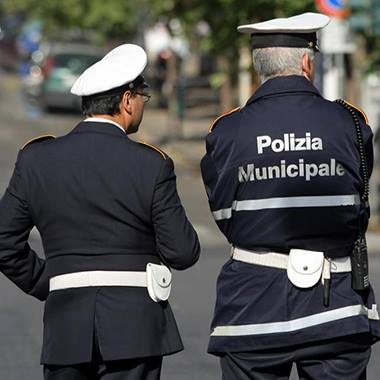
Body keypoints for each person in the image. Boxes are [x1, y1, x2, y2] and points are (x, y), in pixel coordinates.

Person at [0, 43, 200, 380]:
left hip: (65, 328)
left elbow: (4, 241)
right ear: (126, 101)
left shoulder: (37, 160)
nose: (142, 106)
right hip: (136, 333)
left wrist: (46, 282)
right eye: (142, 98)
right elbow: (182, 253)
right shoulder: (151, 163)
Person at [200, 12, 380, 380]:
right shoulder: (350, 122)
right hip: (337, 309)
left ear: (258, 66)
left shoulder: (227, 131)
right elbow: (358, 206)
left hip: (252, 308)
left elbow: (224, 216)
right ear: (306, 62)